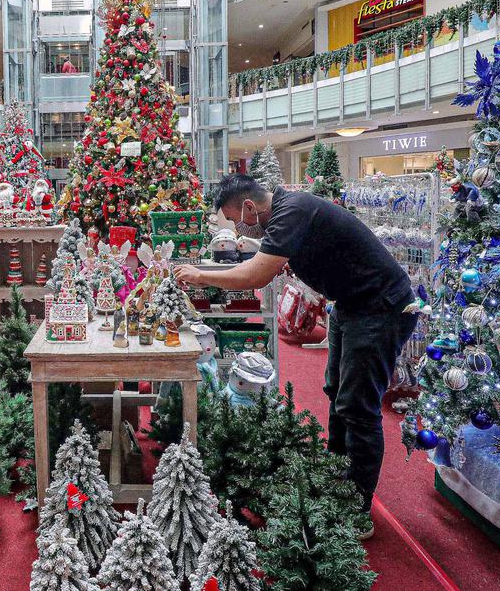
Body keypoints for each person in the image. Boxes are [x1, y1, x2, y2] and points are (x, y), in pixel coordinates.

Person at [174, 174, 417, 537]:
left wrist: (204, 275)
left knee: (358, 405)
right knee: (337, 392)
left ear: (250, 208)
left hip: (379, 308)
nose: (237, 228)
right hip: (351, 305)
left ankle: (358, 504)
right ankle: (338, 473)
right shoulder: (287, 213)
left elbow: (256, 275)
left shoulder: (292, 212)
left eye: (235, 218)